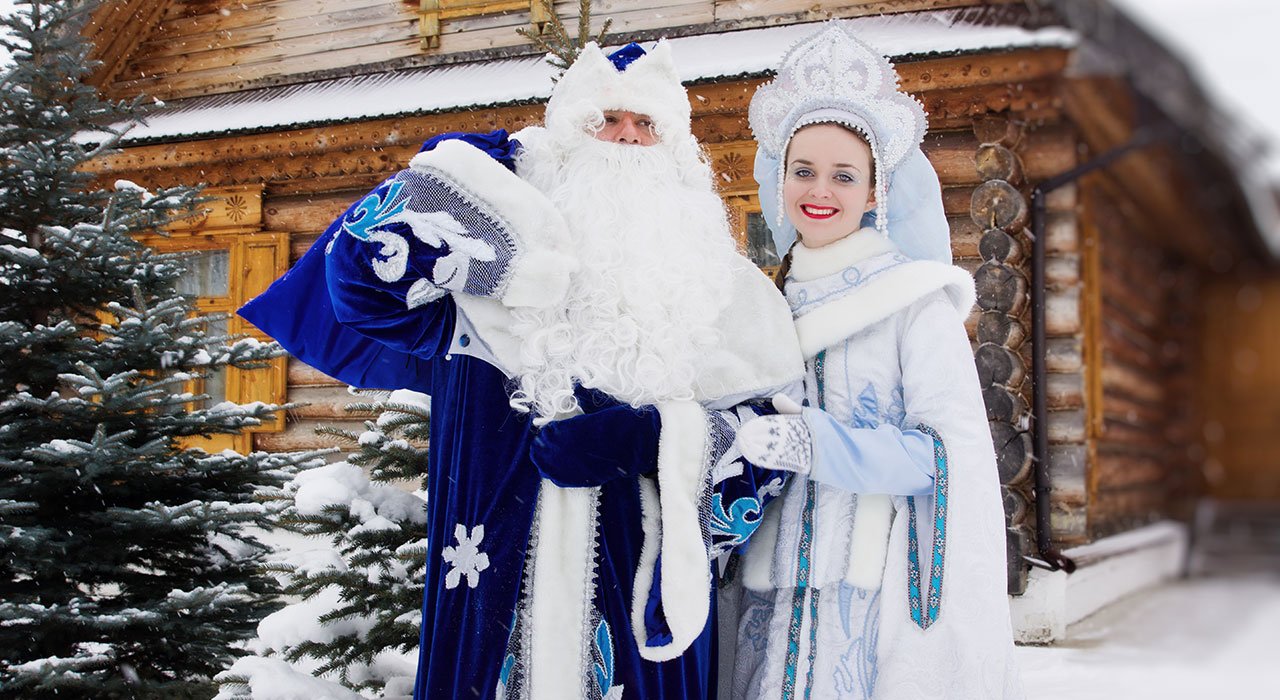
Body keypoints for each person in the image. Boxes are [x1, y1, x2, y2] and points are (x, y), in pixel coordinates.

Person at [239, 41, 805, 700]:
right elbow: (359, 280)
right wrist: (473, 186)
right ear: (558, 141)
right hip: (486, 602)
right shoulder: (477, 290)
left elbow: (778, 443)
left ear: (674, 150)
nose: (624, 138)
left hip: (640, 618)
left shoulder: (727, 293)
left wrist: (654, 438)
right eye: (603, 120)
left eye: (645, 124)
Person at [724, 22, 1023, 699]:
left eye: (843, 175)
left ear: (873, 192)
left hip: (864, 602)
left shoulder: (913, 302)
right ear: (778, 179)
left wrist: (817, 443)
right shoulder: (761, 301)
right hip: (761, 599)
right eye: (803, 170)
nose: (819, 190)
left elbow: (944, 456)